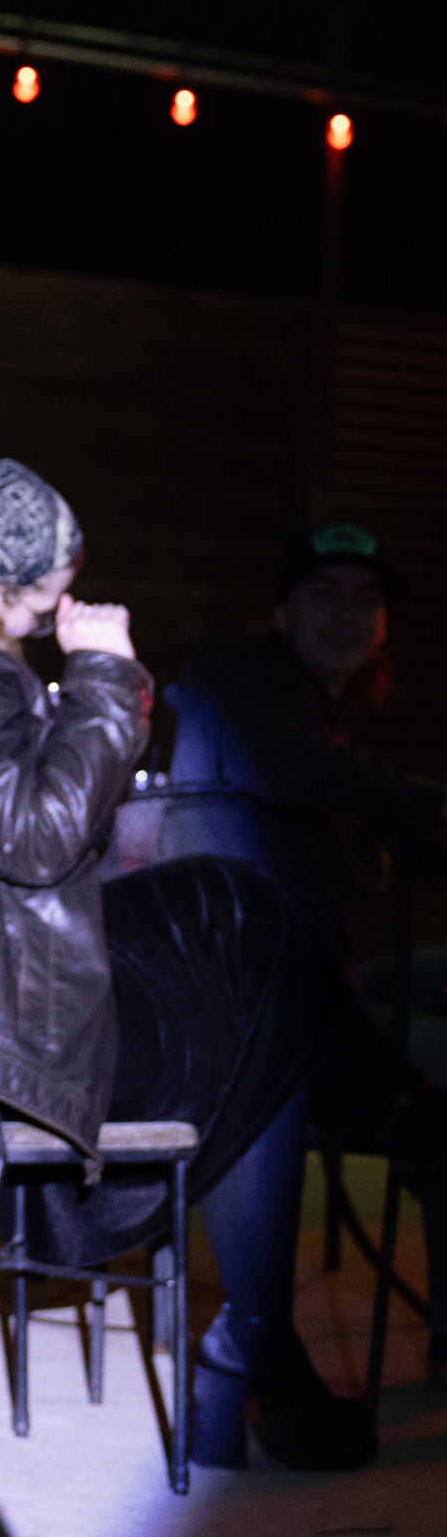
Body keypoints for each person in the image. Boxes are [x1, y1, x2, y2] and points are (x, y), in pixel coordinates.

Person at [0, 464, 371, 1476]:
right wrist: (103, 675)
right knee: (255, 950)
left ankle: (271, 1327)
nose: (66, 603)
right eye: (56, 583)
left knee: (243, 935)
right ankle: (262, 1338)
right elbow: (42, 837)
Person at [170, 522, 447, 1361]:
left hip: (314, 974)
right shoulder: (241, 677)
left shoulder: (310, 708)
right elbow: (277, 766)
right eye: (322, 594)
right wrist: (427, 806)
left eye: (365, 599)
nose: (345, 614)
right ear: (282, 612)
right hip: (260, 1004)